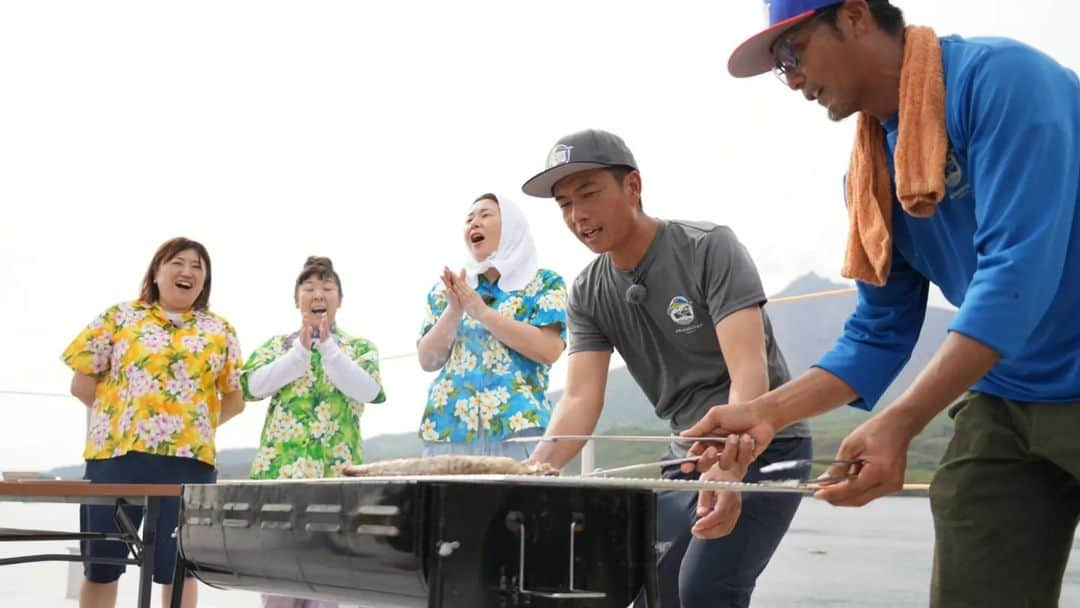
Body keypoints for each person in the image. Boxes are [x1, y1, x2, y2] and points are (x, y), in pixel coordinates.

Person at [685, 1, 1080, 606]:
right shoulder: (871, 177)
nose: (789, 78)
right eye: (778, 66)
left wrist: (901, 420)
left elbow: (1017, 274)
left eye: (793, 51)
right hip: (1008, 396)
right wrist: (766, 414)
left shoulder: (1003, 82)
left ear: (855, 17)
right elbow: (878, 331)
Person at [520, 129, 812, 608]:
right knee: (651, 592)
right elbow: (579, 398)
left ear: (633, 186)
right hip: (685, 455)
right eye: (565, 204)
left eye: (589, 193)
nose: (578, 215)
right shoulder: (588, 293)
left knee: (704, 589)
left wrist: (731, 465)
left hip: (766, 443)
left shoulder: (708, 247)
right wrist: (535, 472)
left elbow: (748, 374)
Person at [62, 236, 245, 608]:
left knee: (180, 569)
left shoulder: (220, 329)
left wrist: (192, 428)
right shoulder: (119, 317)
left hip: (188, 464)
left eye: (198, 266)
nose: (187, 271)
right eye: (178, 262)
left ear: (205, 281)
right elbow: (82, 383)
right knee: (101, 564)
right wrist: (128, 419)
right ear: (157, 271)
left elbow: (235, 399)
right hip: (115, 458)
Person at [241, 255, 385, 608]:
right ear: (297, 300)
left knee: (327, 587)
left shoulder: (360, 348)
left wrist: (328, 348)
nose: (318, 293)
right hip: (280, 480)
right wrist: (299, 353)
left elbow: (367, 390)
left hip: (335, 480)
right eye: (309, 288)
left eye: (327, 287)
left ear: (339, 299)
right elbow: (252, 387)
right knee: (278, 588)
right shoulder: (278, 346)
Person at [416, 193, 567, 458]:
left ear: (512, 227)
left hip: (518, 429)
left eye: (485, 215)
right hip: (449, 431)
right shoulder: (447, 290)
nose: (474, 223)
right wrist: (454, 310)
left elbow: (549, 349)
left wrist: (482, 312)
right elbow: (428, 361)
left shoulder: (544, 282)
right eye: (469, 219)